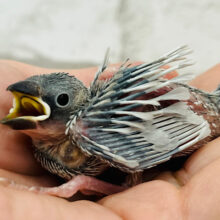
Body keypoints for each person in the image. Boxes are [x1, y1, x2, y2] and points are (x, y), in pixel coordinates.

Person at [0, 59, 220, 219]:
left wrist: (81, 183)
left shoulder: (87, 131)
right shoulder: (53, 147)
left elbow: (183, 129)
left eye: (62, 100)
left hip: (191, 120)